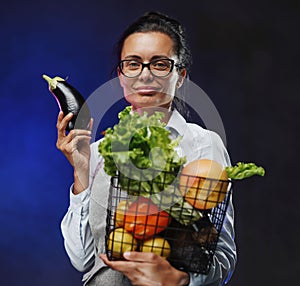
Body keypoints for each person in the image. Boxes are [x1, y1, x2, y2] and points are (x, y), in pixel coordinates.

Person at [58, 11, 236, 286]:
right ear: (121, 75)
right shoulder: (102, 150)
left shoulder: (203, 144)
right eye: (132, 64)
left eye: (160, 64)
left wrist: (180, 279)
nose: (145, 75)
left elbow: (223, 256)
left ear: (180, 77)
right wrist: (81, 172)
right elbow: (82, 259)